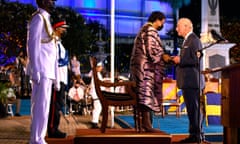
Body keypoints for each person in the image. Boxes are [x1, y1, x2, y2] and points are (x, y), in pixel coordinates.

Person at [129, 11, 171, 132]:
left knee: (143, 95)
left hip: (140, 67)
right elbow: (152, 50)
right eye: (162, 22)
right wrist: (164, 57)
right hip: (146, 69)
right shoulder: (150, 30)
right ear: (157, 20)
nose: (163, 25)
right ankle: (147, 125)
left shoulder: (143, 29)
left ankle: (146, 124)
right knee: (146, 95)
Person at [26, 0, 59, 143]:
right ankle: (36, 139)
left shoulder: (46, 19)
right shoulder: (38, 18)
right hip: (42, 70)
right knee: (40, 107)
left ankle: (39, 138)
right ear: (42, 1)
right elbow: (32, 45)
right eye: (50, 0)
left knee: (44, 107)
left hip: (47, 70)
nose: (53, 2)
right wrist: (35, 69)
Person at [172, 18, 207, 143]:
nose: (176, 29)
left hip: (193, 81)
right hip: (188, 82)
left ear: (186, 26)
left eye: (178, 26)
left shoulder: (194, 40)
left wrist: (180, 60)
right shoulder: (188, 40)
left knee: (195, 109)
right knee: (192, 110)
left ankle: (197, 136)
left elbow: (197, 60)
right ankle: (194, 135)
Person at [47, 20, 69, 138]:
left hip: (62, 78)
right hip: (57, 78)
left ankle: (55, 127)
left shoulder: (59, 42)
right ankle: (52, 129)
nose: (65, 30)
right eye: (63, 28)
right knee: (54, 105)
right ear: (56, 29)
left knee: (58, 105)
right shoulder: (53, 42)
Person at [87, 61, 104, 128]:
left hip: (97, 93)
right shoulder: (96, 74)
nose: (101, 68)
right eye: (100, 67)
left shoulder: (97, 74)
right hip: (96, 93)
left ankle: (95, 121)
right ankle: (94, 122)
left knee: (97, 108)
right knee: (97, 108)